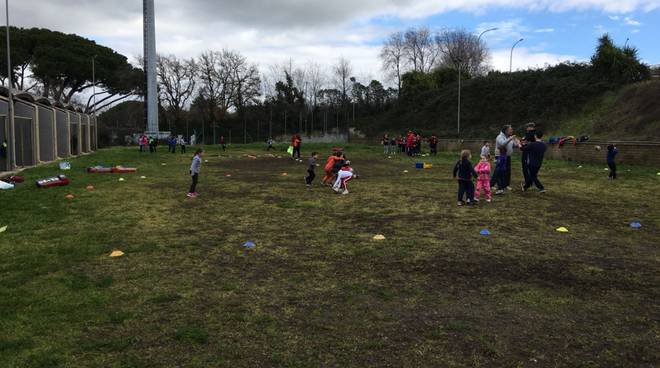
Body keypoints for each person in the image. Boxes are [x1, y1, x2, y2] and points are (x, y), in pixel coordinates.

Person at [492, 125, 519, 190]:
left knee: (507, 171)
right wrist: (511, 138)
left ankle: (506, 185)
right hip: (500, 156)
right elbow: (502, 144)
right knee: (499, 171)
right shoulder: (499, 137)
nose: (512, 131)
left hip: (508, 156)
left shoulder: (509, 137)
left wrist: (517, 142)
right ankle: (492, 184)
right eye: (510, 130)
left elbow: (514, 146)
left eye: (512, 129)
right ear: (506, 130)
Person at [520, 122, 537, 187]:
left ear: (530, 127)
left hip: (528, 152)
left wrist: (522, 141)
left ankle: (528, 182)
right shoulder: (532, 133)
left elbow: (524, 141)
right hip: (531, 152)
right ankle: (529, 181)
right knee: (529, 167)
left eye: (528, 127)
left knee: (525, 167)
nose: (527, 129)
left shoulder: (531, 134)